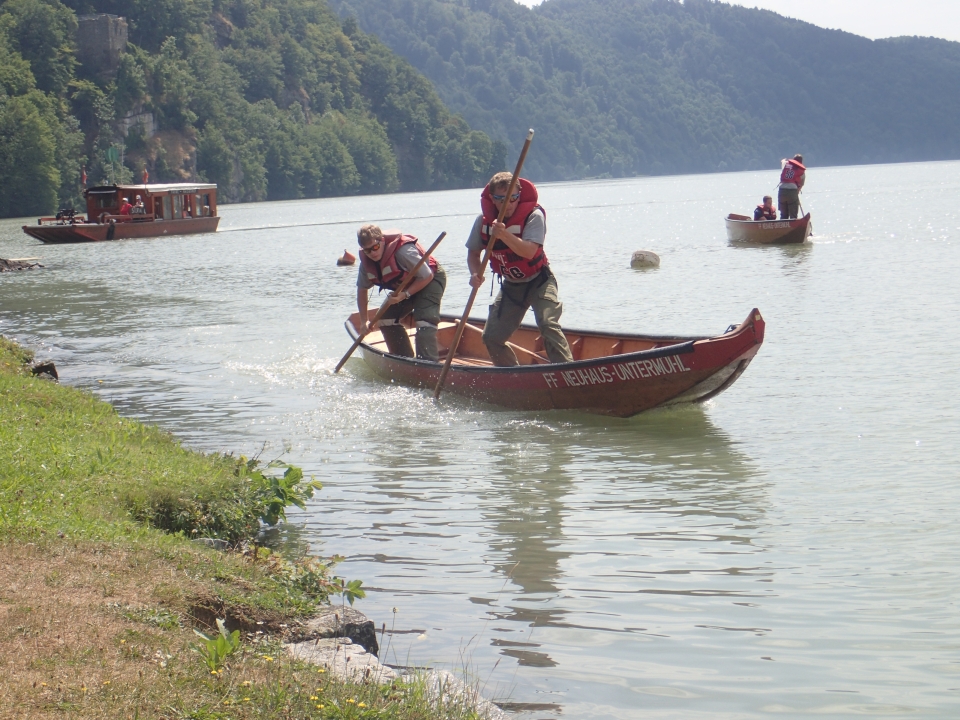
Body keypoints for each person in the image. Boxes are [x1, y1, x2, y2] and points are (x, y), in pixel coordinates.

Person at [466, 172, 573, 366]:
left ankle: (566, 370)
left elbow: (529, 252)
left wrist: (504, 235)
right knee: (491, 337)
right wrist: (475, 273)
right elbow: (473, 254)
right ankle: (512, 375)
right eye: (501, 199)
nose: (507, 204)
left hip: (540, 280)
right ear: (492, 198)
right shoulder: (482, 222)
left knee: (547, 323)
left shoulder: (534, 216)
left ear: (519, 196)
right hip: (512, 286)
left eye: (513, 198)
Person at [356, 224, 446, 362]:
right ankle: (403, 360)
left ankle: (428, 362)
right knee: (385, 318)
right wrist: (364, 321)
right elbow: (362, 290)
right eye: (367, 250)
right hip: (405, 285)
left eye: (375, 247)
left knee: (424, 319)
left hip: (430, 279)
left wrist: (405, 295)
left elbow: (427, 275)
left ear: (382, 241)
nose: (373, 253)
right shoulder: (366, 263)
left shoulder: (403, 252)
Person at [778, 154, 805, 220]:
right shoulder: (801, 170)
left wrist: (784, 160)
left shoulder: (786, 164)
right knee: (793, 214)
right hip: (792, 191)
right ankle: (793, 224)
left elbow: (782, 161)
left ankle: (783, 224)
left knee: (783, 214)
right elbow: (801, 184)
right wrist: (796, 193)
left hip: (782, 190)